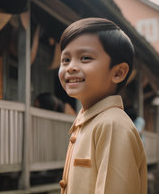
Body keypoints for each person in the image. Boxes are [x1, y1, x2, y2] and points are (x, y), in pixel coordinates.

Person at [58, 18, 147, 194]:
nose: (71, 67)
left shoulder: (112, 125)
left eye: (85, 58)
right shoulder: (87, 122)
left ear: (118, 72)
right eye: (66, 60)